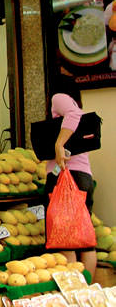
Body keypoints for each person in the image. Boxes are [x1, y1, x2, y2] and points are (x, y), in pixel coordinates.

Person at [44, 74, 97, 280]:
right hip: (83, 176)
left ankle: (75, 291)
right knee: (84, 238)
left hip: (68, 177)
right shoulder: (75, 102)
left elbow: (73, 114)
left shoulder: (59, 98)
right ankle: (89, 291)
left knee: (65, 238)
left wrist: (59, 145)